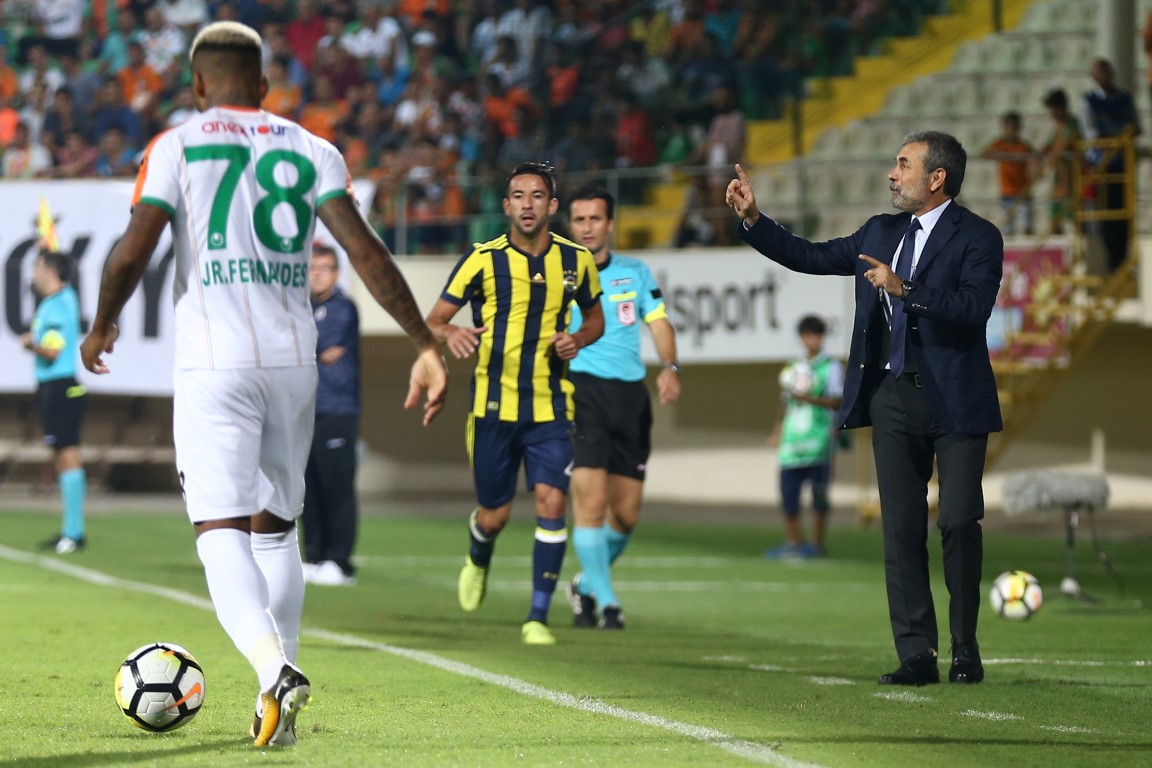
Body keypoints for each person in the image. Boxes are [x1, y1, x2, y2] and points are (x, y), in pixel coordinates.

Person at [78, 21, 447, 747]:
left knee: (220, 529)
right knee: (277, 528)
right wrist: (424, 340)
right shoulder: (314, 149)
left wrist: (103, 323)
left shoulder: (176, 146)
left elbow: (133, 248)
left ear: (197, 85)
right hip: (293, 361)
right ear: (265, 85)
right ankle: (276, 708)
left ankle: (274, 668)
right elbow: (364, 250)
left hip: (215, 361)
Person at [726, 130, 1003, 688]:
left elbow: (973, 308)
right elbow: (809, 256)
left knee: (957, 521)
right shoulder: (880, 231)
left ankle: (965, 649)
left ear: (937, 178)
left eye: (903, 164)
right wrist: (755, 220)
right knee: (900, 529)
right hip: (893, 396)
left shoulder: (979, 236)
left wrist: (906, 290)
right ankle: (917, 654)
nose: (891, 175)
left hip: (956, 399)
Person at [425, 162, 604, 647]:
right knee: (495, 514)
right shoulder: (480, 260)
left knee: (553, 502)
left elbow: (595, 320)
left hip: (551, 408)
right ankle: (479, 549)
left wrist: (577, 340)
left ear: (552, 205)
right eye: (519, 196)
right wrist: (452, 333)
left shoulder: (576, 261)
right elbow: (434, 321)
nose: (528, 204)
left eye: (537, 195)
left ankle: (537, 617)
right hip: (492, 410)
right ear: (506, 206)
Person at [562, 185, 681, 631]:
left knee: (626, 515)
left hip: (631, 399)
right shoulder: (559, 275)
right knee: (591, 504)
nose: (587, 227)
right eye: (579, 219)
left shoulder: (635, 272)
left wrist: (670, 367)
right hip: (582, 393)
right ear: (569, 225)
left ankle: (586, 585)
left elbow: (659, 322)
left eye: (595, 219)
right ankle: (609, 603)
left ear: (610, 224)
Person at [301, 244, 361, 588]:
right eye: (312, 268)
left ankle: (340, 561)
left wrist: (295, 344)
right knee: (307, 487)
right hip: (304, 409)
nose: (318, 275)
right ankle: (314, 556)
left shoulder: (343, 308)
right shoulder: (300, 306)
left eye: (324, 268)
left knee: (337, 487)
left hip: (337, 409)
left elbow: (319, 347)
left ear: (337, 273)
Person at [23, 249, 88, 554]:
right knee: (62, 455)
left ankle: (74, 532)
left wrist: (30, 344)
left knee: (67, 454)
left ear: (50, 270)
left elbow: (52, 350)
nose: (33, 273)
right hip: (54, 386)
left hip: (61, 385)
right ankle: (70, 530)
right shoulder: (58, 300)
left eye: (37, 267)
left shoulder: (60, 303)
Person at [764, 314, 843, 560]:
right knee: (788, 495)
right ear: (802, 337)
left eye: (817, 335)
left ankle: (816, 543)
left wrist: (808, 399)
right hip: (792, 441)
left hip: (819, 440)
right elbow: (785, 403)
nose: (813, 340)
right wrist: (777, 431)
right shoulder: (792, 367)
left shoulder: (831, 367)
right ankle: (793, 541)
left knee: (819, 495)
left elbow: (838, 401)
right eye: (809, 335)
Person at [1079, 57, 1141, 272]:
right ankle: (1113, 265)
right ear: (1094, 77)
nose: (1104, 76)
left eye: (1106, 71)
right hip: (1102, 168)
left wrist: (1123, 138)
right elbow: (1093, 135)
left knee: (1125, 217)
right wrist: (1117, 139)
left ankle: (1124, 263)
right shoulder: (1089, 102)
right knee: (1108, 217)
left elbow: (1135, 127)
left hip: (1124, 166)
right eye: (1099, 72)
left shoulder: (1125, 99)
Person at [979, 112, 1035, 237]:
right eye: (1009, 127)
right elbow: (983, 154)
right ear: (1004, 128)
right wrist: (999, 155)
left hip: (1023, 191)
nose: (1011, 130)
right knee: (1008, 228)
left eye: (1014, 127)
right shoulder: (1000, 144)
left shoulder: (1023, 146)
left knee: (1026, 226)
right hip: (1007, 191)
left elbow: (1036, 159)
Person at [1040, 88, 1081, 236]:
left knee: (1075, 215)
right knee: (1055, 216)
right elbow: (1050, 145)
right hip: (1059, 179)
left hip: (1073, 177)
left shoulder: (1072, 124)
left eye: (1053, 109)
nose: (1051, 113)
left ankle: (1080, 241)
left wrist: (1053, 156)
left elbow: (1067, 144)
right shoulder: (1057, 127)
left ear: (1061, 108)